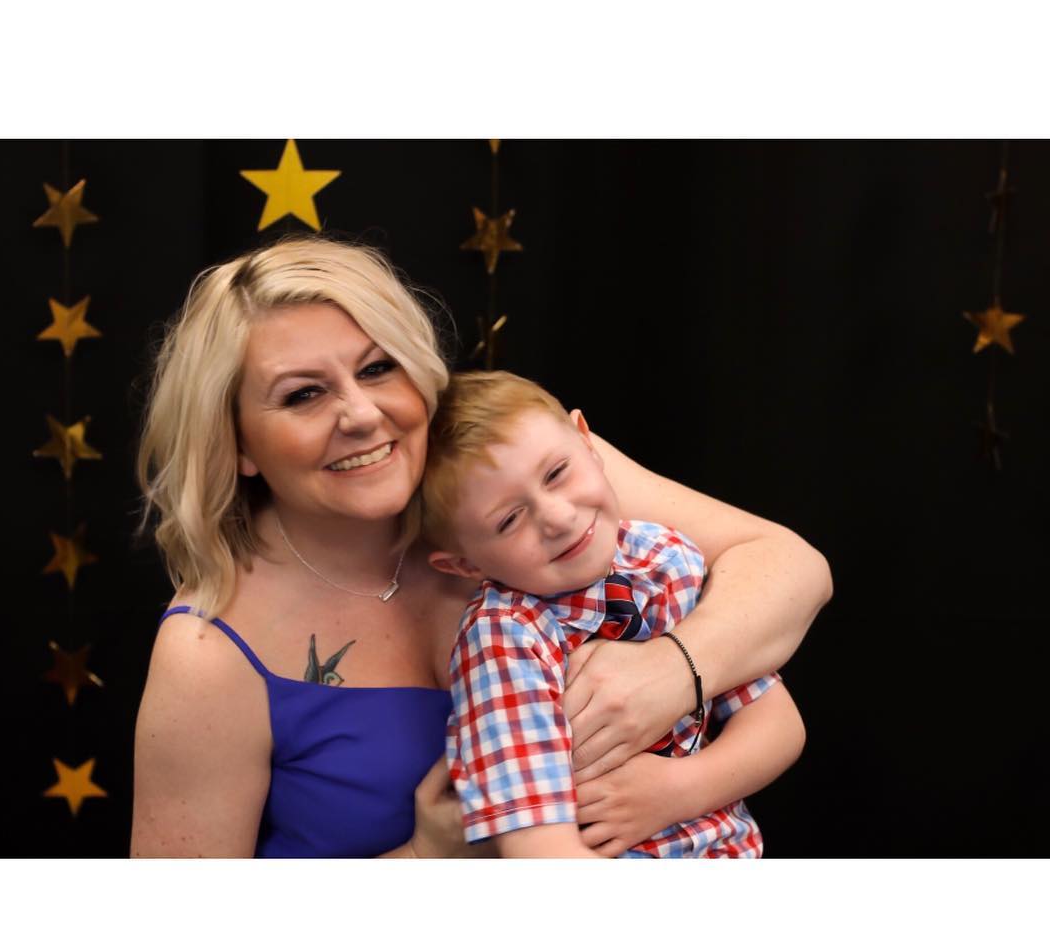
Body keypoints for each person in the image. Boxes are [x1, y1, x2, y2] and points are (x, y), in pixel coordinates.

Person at [131, 235, 831, 859]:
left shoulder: (520, 473)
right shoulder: (208, 650)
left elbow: (793, 567)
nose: (362, 415)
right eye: (304, 395)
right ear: (238, 443)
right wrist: (425, 858)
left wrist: (674, 671)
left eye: (377, 369)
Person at [420, 370, 802, 857]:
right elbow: (541, 852)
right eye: (509, 519)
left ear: (586, 440)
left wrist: (676, 790)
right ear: (464, 565)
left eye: (556, 473)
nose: (558, 517)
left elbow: (779, 725)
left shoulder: (664, 557)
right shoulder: (504, 639)